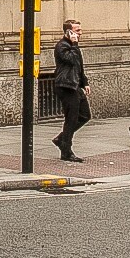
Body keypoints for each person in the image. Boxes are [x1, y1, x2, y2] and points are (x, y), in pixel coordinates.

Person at [50, 19, 90, 162]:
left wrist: (84, 82)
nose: (80, 33)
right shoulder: (62, 46)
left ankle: (62, 139)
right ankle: (66, 151)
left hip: (75, 86)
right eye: (77, 30)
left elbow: (79, 66)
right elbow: (72, 60)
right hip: (66, 86)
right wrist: (74, 44)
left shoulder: (74, 47)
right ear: (69, 32)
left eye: (80, 30)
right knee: (71, 119)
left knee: (85, 115)